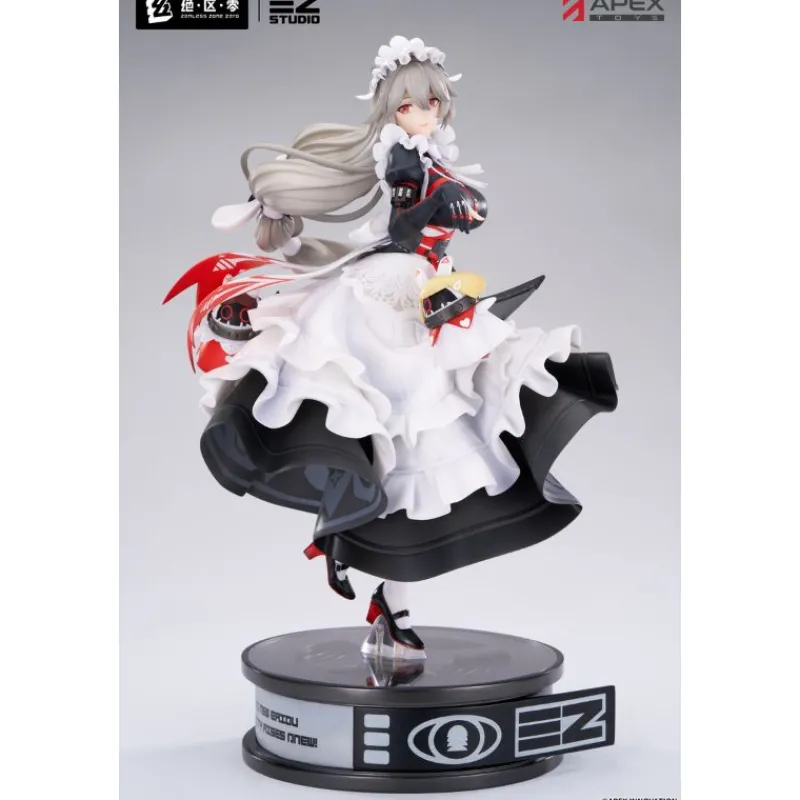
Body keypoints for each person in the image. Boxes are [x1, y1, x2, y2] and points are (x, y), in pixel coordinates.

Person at [164, 36, 618, 660]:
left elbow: (459, 215)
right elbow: (407, 227)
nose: (423, 112)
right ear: (390, 109)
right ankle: (346, 534)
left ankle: (371, 573)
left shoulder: (425, 153)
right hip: (392, 294)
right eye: (410, 104)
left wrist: (453, 206)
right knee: (401, 422)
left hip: (424, 286)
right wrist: (440, 203)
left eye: (433, 102)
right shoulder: (404, 158)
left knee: (422, 442)